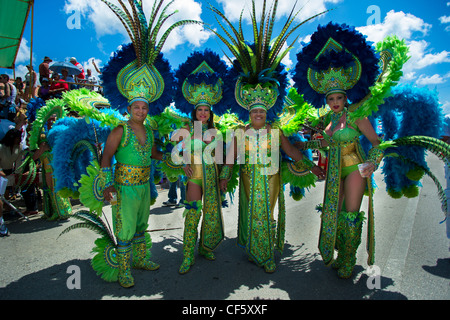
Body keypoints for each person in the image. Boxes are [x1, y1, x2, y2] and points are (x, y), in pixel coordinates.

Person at [292, 22, 410, 278]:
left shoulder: (358, 116)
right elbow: (324, 143)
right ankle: (339, 251)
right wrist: (305, 145)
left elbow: (378, 143)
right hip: (334, 170)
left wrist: (373, 162)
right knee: (332, 214)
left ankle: (347, 259)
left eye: (339, 98)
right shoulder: (327, 121)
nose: (334, 103)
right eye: (330, 99)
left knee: (350, 214)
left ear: (347, 97)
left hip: (355, 168)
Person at [171, 50, 230, 274]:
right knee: (193, 212)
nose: (203, 113)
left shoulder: (216, 132)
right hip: (194, 177)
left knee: (212, 212)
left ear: (210, 112)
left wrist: (224, 177)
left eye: (206, 110)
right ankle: (187, 255)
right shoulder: (187, 129)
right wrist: (182, 163)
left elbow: (223, 158)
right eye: (199, 110)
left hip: (212, 177)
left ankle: (205, 246)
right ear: (194, 112)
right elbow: (175, 152)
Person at [101, 100, 164, 287]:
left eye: (144, 108)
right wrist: (107, 185)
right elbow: (106, 157)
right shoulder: (120, 130)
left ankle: (139, 260)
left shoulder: (150, 131)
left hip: (144, 185)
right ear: (128, 109)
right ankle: (124, 271)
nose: (140, 111)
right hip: (123, 188)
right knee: (124, 227)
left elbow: (153, 154)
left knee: (140, 225)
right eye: (136, 107)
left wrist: (173, 157)